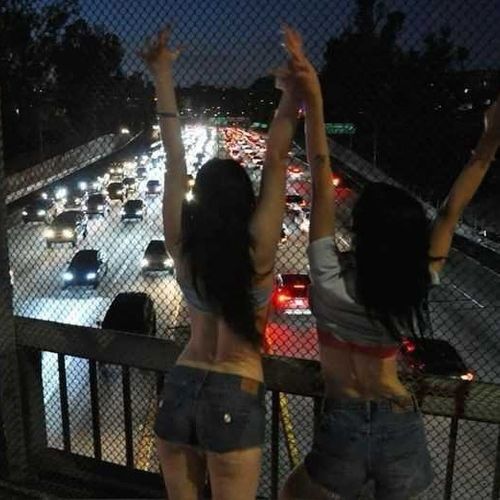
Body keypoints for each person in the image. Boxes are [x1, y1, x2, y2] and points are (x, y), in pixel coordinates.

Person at [279, 28, 500, 500]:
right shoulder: (414, 283)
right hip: (400, 421)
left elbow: (320, 168)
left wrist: (313, 95)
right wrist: (489, 141)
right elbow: (450, 211)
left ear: (360, 231)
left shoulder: (329, 276)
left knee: (294, 492)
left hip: (344, 419)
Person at [140, 26, 301, 500]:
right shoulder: (258, 250)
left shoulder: (184, 247)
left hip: (183, 381)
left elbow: (174, 162)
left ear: (201, 202)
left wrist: (162, 75)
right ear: (245, 201)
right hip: (236, 386)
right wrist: (291, 95)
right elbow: (276, 158)